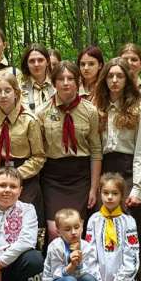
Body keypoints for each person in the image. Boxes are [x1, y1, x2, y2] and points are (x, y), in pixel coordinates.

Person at [38, 61, 102, 241]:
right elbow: (39, 150)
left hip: (80, 176)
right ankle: (55, 260)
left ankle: (77, 260)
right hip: (53, 177)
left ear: (78, 81)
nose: (66, 83)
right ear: (53, 82)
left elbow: (96, 150)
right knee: (54, 230)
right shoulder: (42, 112)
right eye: (61, 79)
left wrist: (93, 187)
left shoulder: (90, 111)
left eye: (70, 78)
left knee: (75, 230)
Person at [0, 72, 47, 236]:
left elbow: (39, 156)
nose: (3, 95)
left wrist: (17, 175)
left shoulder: (29, 120)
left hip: (24, 176)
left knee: (25, 226)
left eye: (7, 90)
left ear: (16, 93)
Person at [93, 59, 141, 222]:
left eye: (120, 76)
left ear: (127, 79)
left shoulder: (139, 110)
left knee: (128, 223)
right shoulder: (96, 108)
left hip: (129, 172)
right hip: (104, 171)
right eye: (110, 76)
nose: (115, 80)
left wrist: (138, 188)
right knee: (103, 224)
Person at [85, 173, 140, 281]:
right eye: (106, 193)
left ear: (122, 195)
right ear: (100, 193)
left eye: (115, 193)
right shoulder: (94, 220)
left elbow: (132, 255)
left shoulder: (128, 221)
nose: (110, 197)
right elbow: (89, 254)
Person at [40, 208, 100, 281]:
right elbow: (56, 275)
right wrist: (71, 266)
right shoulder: (55, 247)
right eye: (67, 229)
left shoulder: (86, 247)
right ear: (58, 232)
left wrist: (79, 264)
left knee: (90, 280)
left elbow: (91, 270)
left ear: (82, 227)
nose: (73, 232)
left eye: (76, 227)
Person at [18, 43, 55, 112]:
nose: (36, 64)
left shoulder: (57, 85)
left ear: (47, 62)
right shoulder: (19, 88)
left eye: (40, 60)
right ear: (26, 64)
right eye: (32, 61)